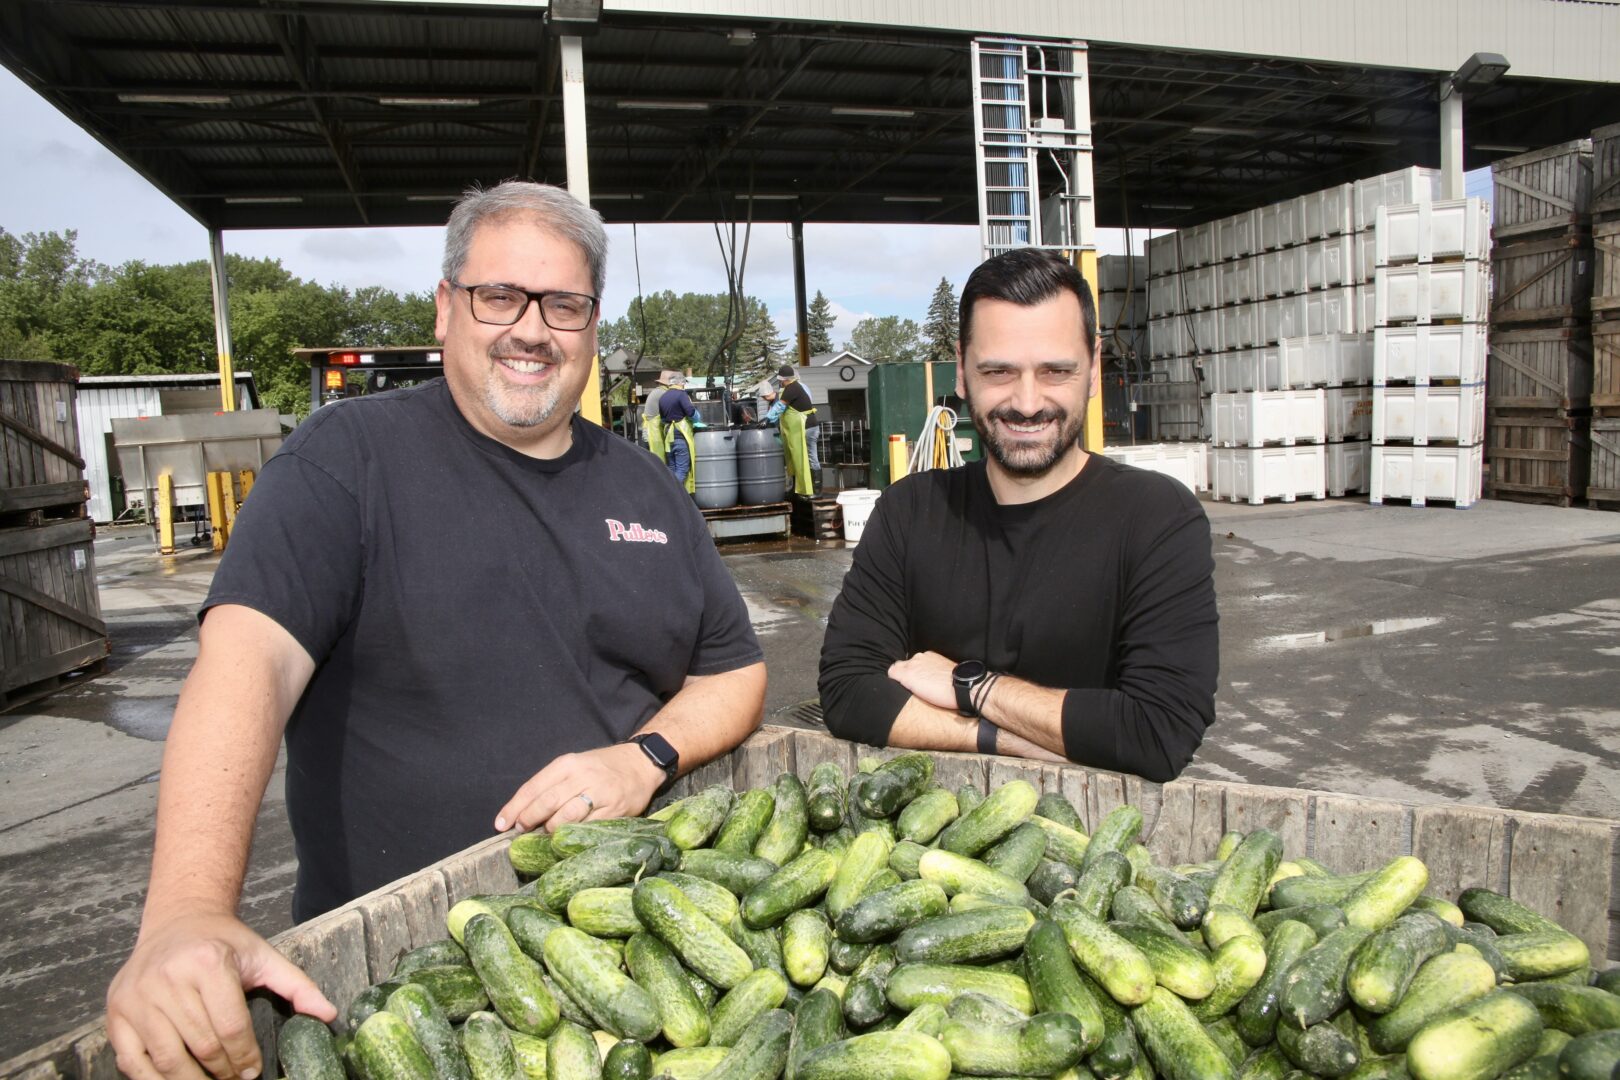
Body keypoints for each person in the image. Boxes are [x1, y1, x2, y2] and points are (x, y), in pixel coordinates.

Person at [106, 181, 767, 1080]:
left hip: (620, 968)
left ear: (592, 326)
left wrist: (643, 757)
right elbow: (248, 663)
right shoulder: (347, 460)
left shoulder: (649, 492)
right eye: (501, 295)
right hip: (399, 986)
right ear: (446, 307)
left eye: (563, 304)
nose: (532, 328)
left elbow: (733, 672)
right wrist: (186, 910)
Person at [818, 247, 1217, 782]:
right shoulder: (909, 511)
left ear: (1094, 369)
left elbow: (1156, 731)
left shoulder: (1157, 518)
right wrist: (1004, 738)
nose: (1028, 403)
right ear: (961, 371)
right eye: (999, 371)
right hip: (926, 850)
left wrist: (971, 686)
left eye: (1056, 370)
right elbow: (849, 691)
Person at [776, 364, 820, 495]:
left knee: (809, 458)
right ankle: (806, 489)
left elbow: (780, 407)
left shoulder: (791, 388)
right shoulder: (797, 386)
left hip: (807, 427)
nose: (779, 382)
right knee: (804, 458)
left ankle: (814, 490)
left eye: (780, 380)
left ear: (784, 379)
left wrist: (767, 419)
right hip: (809, 426)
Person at [659, 371, 698, 493]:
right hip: (680, 436)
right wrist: (697, 417)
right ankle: (671, 495)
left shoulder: (663, 397)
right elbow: (690, 412)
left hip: (668, 438)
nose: (684, 386)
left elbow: (662, 418)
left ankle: (670, 494)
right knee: (681, 469)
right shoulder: (681, 394)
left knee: (672, 468)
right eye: (684, 383)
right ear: (680, 382)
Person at [641, 369, 676, 459]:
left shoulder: (657, 391)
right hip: (653, 434)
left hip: (649, 432)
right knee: (658, 463)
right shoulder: (663, 393)